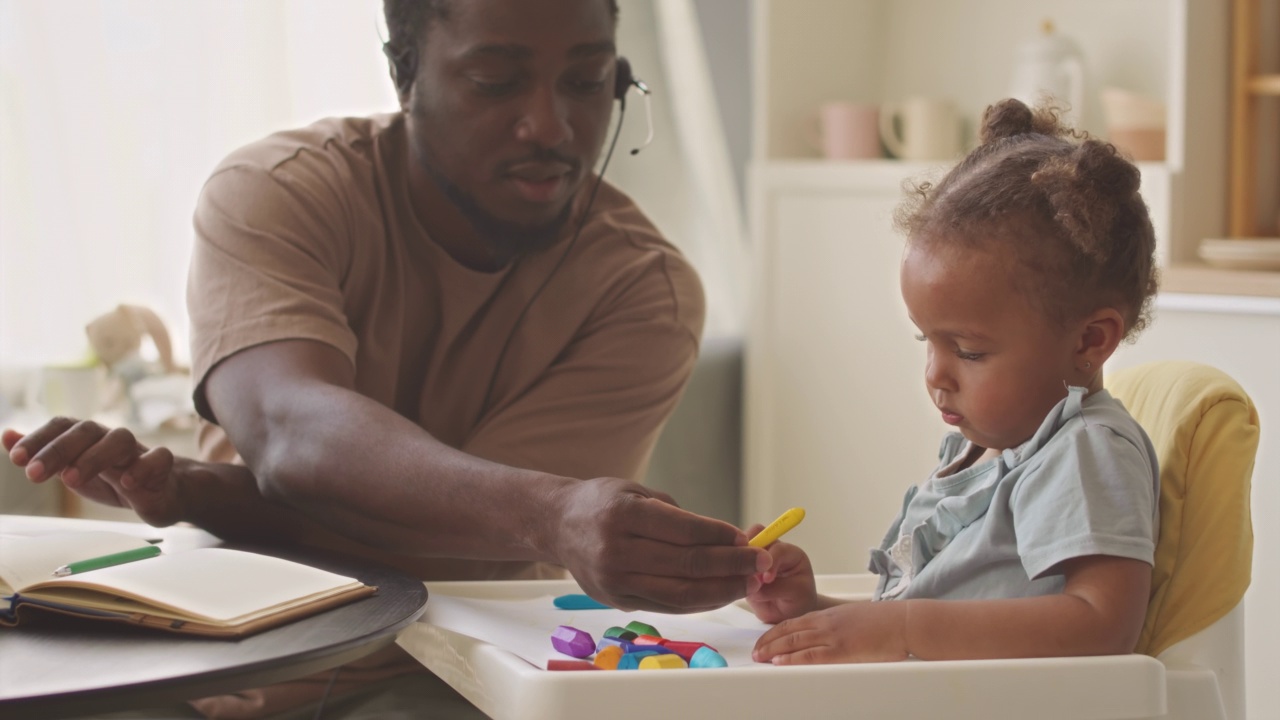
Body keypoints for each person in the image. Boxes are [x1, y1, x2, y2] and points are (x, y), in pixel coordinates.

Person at [4, 0, 766, 716]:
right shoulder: (278, 195)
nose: (550, 125)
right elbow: (294, 437)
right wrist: (553, 513)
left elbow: (455, 540)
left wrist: (197, 491)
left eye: (588, 82)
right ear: (404, 75)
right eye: (497, 82)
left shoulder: (644, 292)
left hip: (439, 673)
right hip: (208, 661)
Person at [746, 98, 1161, 665]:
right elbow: (943, 612)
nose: (935, 374)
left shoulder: (1085, 450)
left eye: (968, 350)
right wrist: (813, 610)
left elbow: (1101, 623)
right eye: (927, 341)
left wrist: (902, 628)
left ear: (1090, 341)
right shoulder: (991, 448)